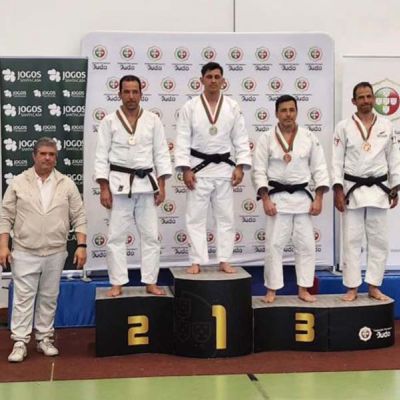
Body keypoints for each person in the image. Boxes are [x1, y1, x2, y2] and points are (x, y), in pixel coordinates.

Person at [0, 137, 87, 363]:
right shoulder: (18, 182)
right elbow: (5, 216)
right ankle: (20, 342)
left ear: (56, 158)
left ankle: (44, 338)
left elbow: (79, 216)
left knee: (49, 297)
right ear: (34, 156)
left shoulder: (66, 184)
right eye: (43, 154)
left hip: (56, 251)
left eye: (52, 154)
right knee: (23, 298)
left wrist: (81, 245)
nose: (47, 158)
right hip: (24, 250)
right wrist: (3, 246)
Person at [94, 75, 172, 297]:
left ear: (141, 94)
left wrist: (162, 185)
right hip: (119, 186)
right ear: (119, 94)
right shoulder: (109, 121)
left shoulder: (152, 120)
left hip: (146, 186)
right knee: (116, 237)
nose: (131, 96)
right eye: (126, 92)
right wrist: (103, 187)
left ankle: (150, 281)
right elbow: (101, 156)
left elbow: (161, 153)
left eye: (134, 92)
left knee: (151, 237)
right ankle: (117, 282)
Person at [175, 62, 251, 274]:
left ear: (223, 80)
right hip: (198, 170)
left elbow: (241, 138)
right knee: (195, 218)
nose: (213, 81)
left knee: (225, 217)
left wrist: (240, 166)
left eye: (217, 77)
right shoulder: (190, 107)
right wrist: (185, 169)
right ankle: (196, 260)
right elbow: (182, 139)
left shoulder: (232, 106)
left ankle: (224, 259)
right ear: (202, 80)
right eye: (209, 77)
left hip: (224, 170)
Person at [253, 95, 329, 303]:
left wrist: (319, 198)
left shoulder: (308, 137)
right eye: (284, 110)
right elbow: (259, 171)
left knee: (306, 246)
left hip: (302, 200)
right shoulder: (266, 138)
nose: (288, 114)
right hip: (277, 199)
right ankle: (272, 290)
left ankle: (303, 289)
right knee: (274, 246)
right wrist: (265, 199)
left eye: (292, 110)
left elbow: (320, 168)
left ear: (296, 112)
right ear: (276, 113)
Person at [332, 82, 400, 301]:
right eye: (361, 97)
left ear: (374, 99)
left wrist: (395, 186)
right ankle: (352, 287)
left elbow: (394, 157)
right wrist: (338, 189)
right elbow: (336, 161)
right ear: (354, 101)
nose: (365, 101)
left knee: (379, 241)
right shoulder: (343, 127)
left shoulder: (386, 126)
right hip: (352, 189)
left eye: (369, 96)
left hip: (379, 189)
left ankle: (374, 286)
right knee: (351, 240)